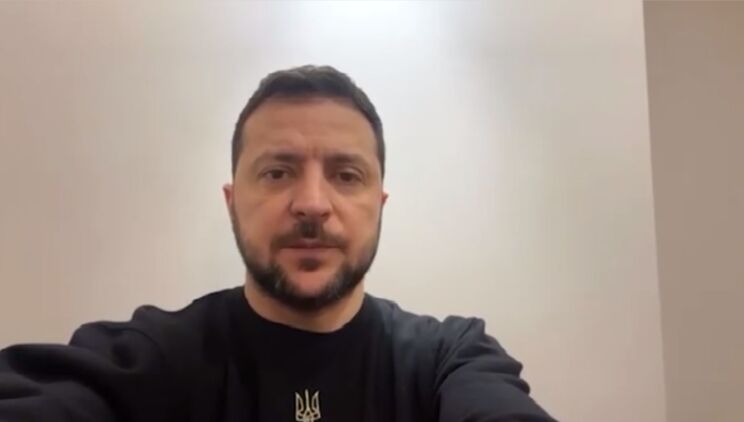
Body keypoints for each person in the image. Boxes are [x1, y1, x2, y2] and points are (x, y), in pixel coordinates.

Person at [0, 65, 555, 422]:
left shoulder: (448, 359)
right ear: (232, 201)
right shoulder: (155, 358)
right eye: (277, 172)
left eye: (346, 175)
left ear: (379, 204)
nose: (312, 203)